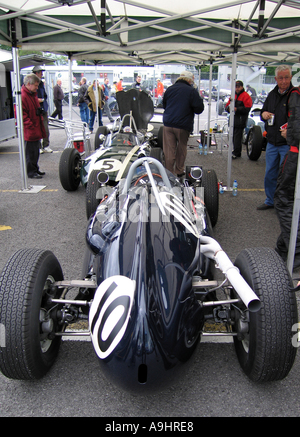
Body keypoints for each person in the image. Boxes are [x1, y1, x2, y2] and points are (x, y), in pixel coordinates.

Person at [257, 64, 294, 210]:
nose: (283, 81)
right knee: (270, 174)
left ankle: (284, 203)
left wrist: (290, 132)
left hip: (287, 143)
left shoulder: (295, 95)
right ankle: (270, 200)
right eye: (281, 78)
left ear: (290, 78)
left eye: (286, 78)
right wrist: (263, 114)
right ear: (276, 79)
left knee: (285, 176)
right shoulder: (272, 94)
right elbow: (263, 111)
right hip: (272, 142)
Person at [274, 86, 300, 268]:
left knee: (283, 199)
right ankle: (282, 250)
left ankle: (294, 251)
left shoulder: (296, 94)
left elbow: (296, 130)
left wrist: (288, 133)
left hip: (296, 154)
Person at [162, 70, 204, 177]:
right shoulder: (191, 91)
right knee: (181, 148)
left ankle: (168, 173)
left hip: (168, 124)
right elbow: (199, 108)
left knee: (169, 150)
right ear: (189, 80)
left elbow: (164, 105)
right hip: (182, 125)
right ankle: (179, 171)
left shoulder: (170, 89)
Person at [21, 73, 46, 179]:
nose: (37, 88)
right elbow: (22, 115)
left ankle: (35, 169)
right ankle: (31, 172)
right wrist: (30, 125)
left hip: (35, 127)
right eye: (35, 85)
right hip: (30, 129)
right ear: (28, 84)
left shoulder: (31, 94)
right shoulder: (23, 96)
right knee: (30, 152)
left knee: (35, 151)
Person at [225, 80, 253, 159]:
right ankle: (235, 151)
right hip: (233, 119)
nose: (237, 89)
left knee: (237, 137)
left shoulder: (246, 96)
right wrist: (228, 108)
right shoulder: (233, 95)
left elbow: (247, 108)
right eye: (236, 87)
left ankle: (237, 152)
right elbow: (227, 105)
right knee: (234, 136)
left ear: (242, 87)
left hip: (240, 120)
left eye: (238, 87)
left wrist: (237, 109)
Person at [32, 65, 52, 153]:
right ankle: (39, 146)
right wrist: (37, 100)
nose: (42, 74)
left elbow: (44, 95)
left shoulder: (41, 83)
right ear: (36, 73)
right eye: (41, 72)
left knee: (45, 128)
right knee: (38, 128)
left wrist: (43, 100)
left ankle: (46, 145)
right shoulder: (31, 83)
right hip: (36, 110)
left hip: (43, 108)